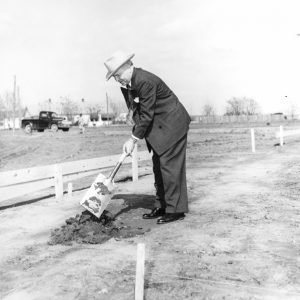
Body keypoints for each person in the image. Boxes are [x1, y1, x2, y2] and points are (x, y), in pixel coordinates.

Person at [104, 51, 191, 224]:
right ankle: (162, 205)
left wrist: (133, 139)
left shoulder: (144, 80)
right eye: (114, 77)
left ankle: (175, 210)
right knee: (159, 167)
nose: (117, 80)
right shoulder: (129, 84)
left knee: (170, 169)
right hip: (159, 128)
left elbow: (146, 114)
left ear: (128, 67)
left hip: (172, 125)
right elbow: (138, 109)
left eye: (118, 75)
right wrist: (131, 114)